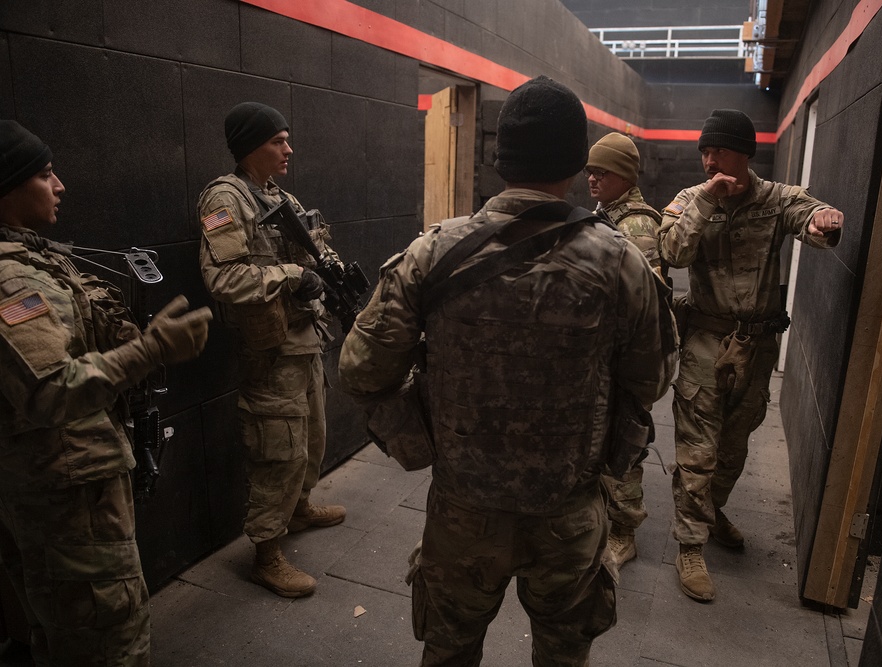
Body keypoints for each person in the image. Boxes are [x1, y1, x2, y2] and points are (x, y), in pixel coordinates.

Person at [339, 76, 672, 666]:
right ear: (576, 161)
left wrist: (419, 439)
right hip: (569, 511)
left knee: (449, 651)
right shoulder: (621, 260)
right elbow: (652, 379)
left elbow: (362, 370)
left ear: (499, 158)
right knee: (563, 655)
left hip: (463, 510)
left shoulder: (435, 252)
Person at [0, 120, 212, 665]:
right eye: (45, 174)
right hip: (62, 500)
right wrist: (151, 350)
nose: (61, 185)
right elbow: (49, 389)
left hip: (79, 486)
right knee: (107, 636)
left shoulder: (35, 258)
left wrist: (134, 340)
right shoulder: (9, 283)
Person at [658, 108, 844, 602]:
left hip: (757, 348)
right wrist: (704, 203)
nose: (708, 159)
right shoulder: (688, 199)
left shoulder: (775, 199)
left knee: (735, 447)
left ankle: (712, 511)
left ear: (744, 153)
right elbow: (672, 253)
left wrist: (825, 221)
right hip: (704, 341)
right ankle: (690, 545)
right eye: (703, 150)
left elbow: (811, 217)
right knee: (698, 450)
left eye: (717, 149)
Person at [198, 102, 348, 599]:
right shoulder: (225, 199)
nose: (289, 149)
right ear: (250, 147)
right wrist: (290, 275)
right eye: (278, 141)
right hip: (269, 350)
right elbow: (222, 277)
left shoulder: (278, 197)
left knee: (313, 438)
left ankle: (299, 509)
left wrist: (326, 270)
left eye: (287, 139)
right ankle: (266, 552)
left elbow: (310, 254)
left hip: (303, 340)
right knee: (277, 453)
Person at [586, 131, 665, 575]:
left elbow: (647, 304)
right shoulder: (608, 214)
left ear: (625, 175)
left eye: (603, 171)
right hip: (608, 354)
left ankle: (624, 532)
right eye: (590, 170)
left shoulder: (635, 224)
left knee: (625, 443)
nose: (592, 177)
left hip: (624, 357)